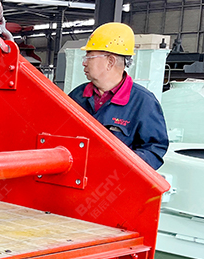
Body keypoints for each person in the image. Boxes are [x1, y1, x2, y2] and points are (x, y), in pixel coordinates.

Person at [68, 22, 169, 169]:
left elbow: (154, 149)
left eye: (89, 57)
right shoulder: (77, 96)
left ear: (110, 61)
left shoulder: (143, 102)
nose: (84, 63)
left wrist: (123, 164)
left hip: (115, 180)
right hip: (76, 177)